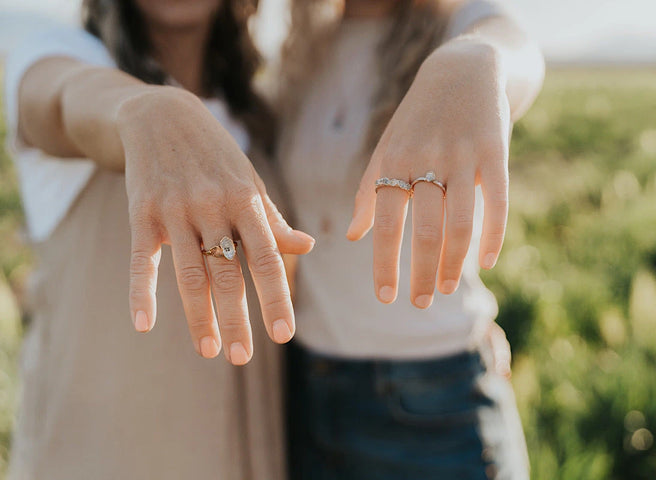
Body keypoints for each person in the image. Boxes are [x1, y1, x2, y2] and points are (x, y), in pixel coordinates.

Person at [3, 0, 315, 478]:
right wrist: (144, 108)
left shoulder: (257, 113)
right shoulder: (65, 55)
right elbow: (63, 100)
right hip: (101, 458)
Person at [277, 0, 544, 478]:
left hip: (432, 398)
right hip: (309, 388)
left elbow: (516, 53)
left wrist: (475, 61)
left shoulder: (459, 26)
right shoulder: (304, 49)